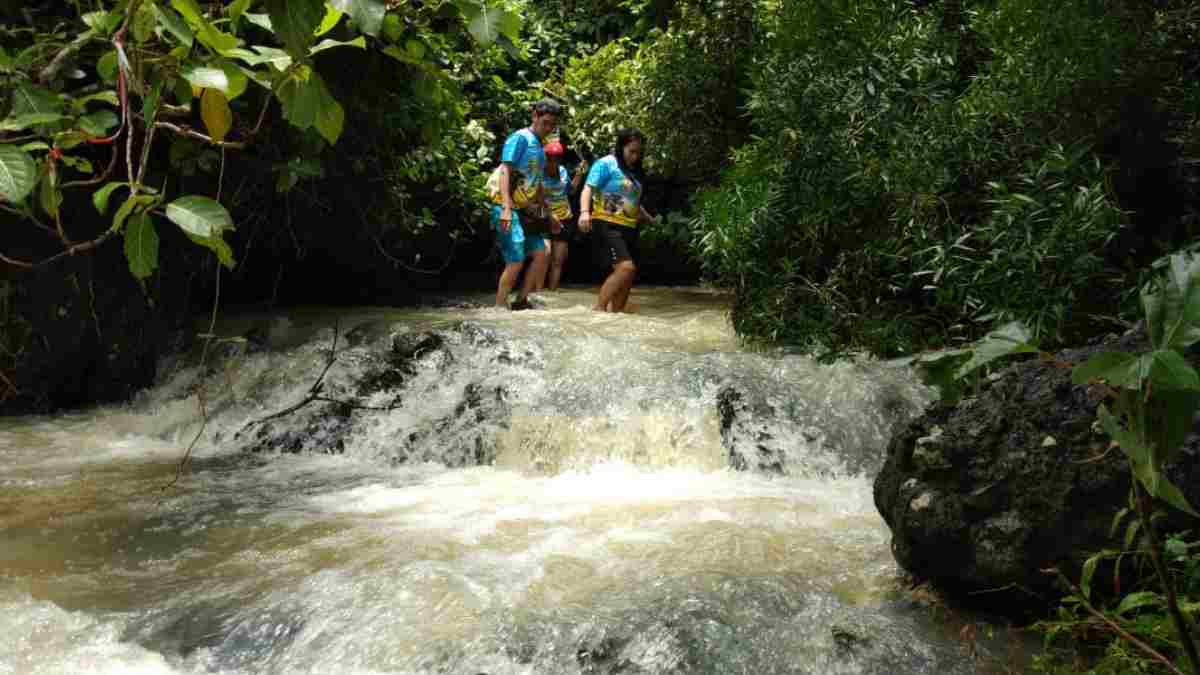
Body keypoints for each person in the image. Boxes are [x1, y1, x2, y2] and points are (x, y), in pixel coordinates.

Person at [487, 99, 563, 310]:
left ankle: (521, 301)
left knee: (541, 253)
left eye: (552, 125)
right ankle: (499, 307)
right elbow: (505, 170)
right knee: (516, 258)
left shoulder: (540, 147)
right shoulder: (520, 138)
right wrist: (505, 207)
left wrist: (550, 214)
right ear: (535, 116)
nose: (548, 128)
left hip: (523, 209)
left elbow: (536, 184)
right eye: (545, 122)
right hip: (504, 206)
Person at [578, 129, 654, 312]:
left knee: (628, 276)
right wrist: (584, 212)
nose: (635, 156)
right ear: (621, 148)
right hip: (606, 224)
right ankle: (598, 309)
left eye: (638, 152)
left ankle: (617, 316)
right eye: (631, 151)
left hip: (629, 226)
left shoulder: (636, 172)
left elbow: (631, 202)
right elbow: (588, 188)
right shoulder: (606, 164)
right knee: (626, 268)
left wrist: (648, 218)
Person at [539, 140, 587, 292]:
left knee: (558, 260)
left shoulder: (563, 171)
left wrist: (579, 174)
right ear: (545, 157)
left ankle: (552, 292)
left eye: (557, 158)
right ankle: (537, 292)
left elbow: (571, 191)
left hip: (564, 218)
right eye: (550, 158)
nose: (553, 161)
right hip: (544, 217)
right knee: (544, 255)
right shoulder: (538, 173)